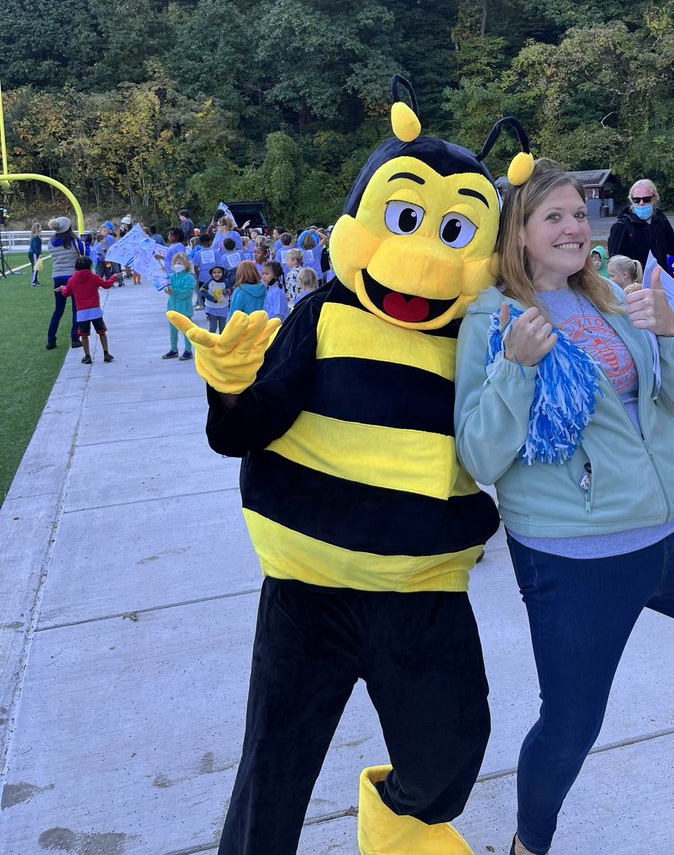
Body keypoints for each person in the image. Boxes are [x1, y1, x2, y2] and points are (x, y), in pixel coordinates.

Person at [169, 79, 514, 855]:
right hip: (307, 593)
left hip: (420, 593)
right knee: (274, 769)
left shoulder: (477, 342)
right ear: (361, 217)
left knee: (453, 749)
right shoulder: (321, 317)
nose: (423, 256)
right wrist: (228, 389)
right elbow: (241, 436)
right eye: (405, 220)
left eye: (455, 232)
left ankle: (394, 821)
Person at [454, 159, 674, 855]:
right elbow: (480, 456)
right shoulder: (491, 317)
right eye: (553, 215)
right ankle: (530, 845)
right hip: (575, 553)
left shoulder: (609, 300)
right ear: (517, 232)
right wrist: (515, 369)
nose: (573, 227)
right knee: (572, 723)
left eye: (580, 214)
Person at [607, 178, 674, 270]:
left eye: (646, 199)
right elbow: (615, 263)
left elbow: (672, 248)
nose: (641, 203)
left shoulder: (660, 219)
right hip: (637, 282)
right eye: (636, 200)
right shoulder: (621, 226)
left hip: (661, 279)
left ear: (654, 198)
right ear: (631, 200)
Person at [57, 255, 117, 364]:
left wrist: (62, 288)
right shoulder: (94, 277)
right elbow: (106, 285)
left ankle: (87, 356)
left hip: (82, 312)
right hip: (95, 310)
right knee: (102, 332)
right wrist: (113, 277)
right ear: (90, 266)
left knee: (84, 335)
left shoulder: (72, 280)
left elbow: (66, 293)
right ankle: (106, 353)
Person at [46, 217, 89, 350]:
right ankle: (75, 339)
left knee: (58, 310)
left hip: (57, 276)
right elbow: (84, 253)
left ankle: (51, 340)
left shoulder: (51, 242)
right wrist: (85, 243)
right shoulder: (74, 241)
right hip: (73, 276)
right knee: (76, 308)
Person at [162, 253, 196, 361]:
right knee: (173, 331)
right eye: (175, 263)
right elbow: (165, 287)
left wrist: (173, 292)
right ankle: (173, 349)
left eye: (180, 263)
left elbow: (186, 293)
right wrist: (165, 288)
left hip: (184, 309)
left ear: (186, 264)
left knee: (186, 331)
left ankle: (188, 351)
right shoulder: (171, 277)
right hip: (172, 308)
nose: (177, 265)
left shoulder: (190, 278)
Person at [199, 265, 230, 333]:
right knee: (213, 326)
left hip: (223, 307)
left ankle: (222, 342)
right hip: (212, 308)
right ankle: (211, 341)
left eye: (219, 272)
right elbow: (202, 290)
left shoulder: (225, 281)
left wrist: (226, 291)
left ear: (223, 273)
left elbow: (229, 289)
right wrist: (212, 299)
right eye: (214, 272)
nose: (217, 274)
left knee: (223, 327)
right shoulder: (209, 282)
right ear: (211, 274)